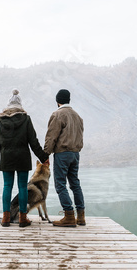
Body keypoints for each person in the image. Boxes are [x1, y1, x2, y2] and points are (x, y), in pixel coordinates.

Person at [0, 89, 49, 227]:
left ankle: (5, 218)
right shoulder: (26, 119)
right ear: (20, 105)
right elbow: (33, 141)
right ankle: (23, 218)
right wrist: (43, 157)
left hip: (7, 158)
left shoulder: (1, 121)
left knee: (7, 186)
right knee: (23, 187)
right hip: (22, 157)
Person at [44, 89, 85, 227]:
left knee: (60, 184)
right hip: (75, 154)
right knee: (75, 183)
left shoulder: (57, 114)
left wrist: (45, 154)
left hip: (62, 154)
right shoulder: (77, 116)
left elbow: (51, 137)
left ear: (57, 101)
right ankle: (81, 216)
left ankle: (69, 216)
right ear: (69, 100)